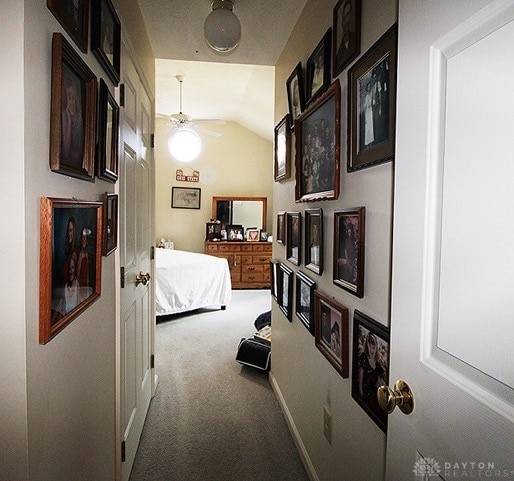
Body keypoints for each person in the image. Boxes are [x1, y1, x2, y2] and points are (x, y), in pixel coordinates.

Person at [358, 331, 386, 414]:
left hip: (374, 394)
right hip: (365, 391)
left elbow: (382, 382)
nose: (371, 349)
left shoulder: (378, 365)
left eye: (373, 347)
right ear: (367, 345)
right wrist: (360, 390)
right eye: (370, 346)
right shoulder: (364, 357)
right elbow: (361, 374)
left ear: (376, 348)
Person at [61, 69, 84, 167]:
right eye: (69, 96)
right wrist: (69, 121)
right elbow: (66, 153)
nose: (72, 101)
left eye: (74, 97)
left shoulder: (79, 119)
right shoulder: (63, 117)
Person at [335, 0, 357, 70]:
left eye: (348, 15)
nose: (346, 21)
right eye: (344, 18)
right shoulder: (338, 54)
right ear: (341, 22)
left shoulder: (355, 40)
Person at [338, 218, 357, 283]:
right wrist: (348, 262)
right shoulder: (347, 240)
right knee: (349, 273)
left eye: (350, 231)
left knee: (351, 273)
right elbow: (346, 250)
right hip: (348, 259)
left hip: (352, 259)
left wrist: (352, 261)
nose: (349, 232)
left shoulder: (353, 239)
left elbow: (354, 250)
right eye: (348, 231)